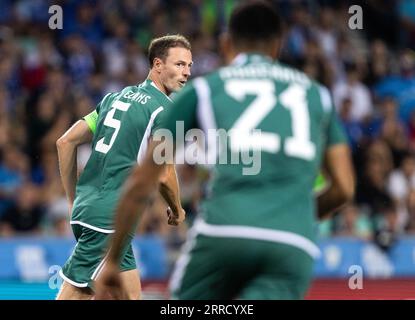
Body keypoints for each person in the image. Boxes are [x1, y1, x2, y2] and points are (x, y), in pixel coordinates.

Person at [95, 1, 354, 300]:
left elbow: (142, 180)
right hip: (292, 242)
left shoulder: (204, 89)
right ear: (278, 45)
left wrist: (113, 261)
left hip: (225, 232)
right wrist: (294, 214)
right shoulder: (318, 96)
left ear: (227, 43)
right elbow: (344, 188)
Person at [55, 34, 192, 300]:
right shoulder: (164, 110)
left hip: (91, 210)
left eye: (189, 65)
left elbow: (65, 142)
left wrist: (74, 199)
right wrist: (177, 209)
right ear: (158, 64)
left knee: (129, 295)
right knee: (76, 293)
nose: (186, 72)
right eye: (179, 65)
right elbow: (163, 174)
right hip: (110, 216)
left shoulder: (114, 98)